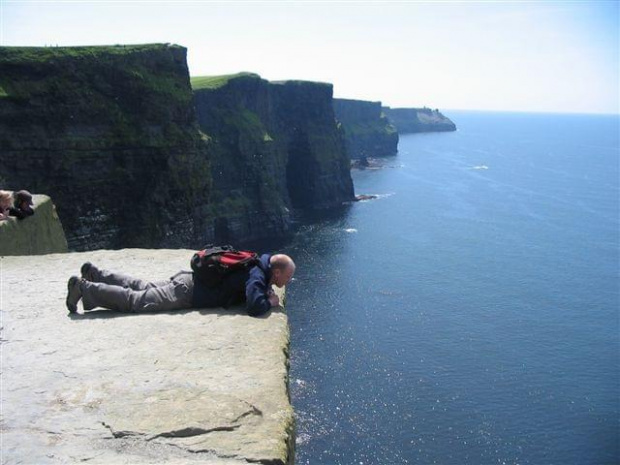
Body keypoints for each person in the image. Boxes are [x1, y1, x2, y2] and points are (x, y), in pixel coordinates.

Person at [65, 253, 295, 317]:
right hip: (187, 293)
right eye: (288, 276)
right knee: (136, 301)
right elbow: (255, 307)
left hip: (188, 279)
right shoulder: (256, 275)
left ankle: (96, 273)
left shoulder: (258, 260)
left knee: (142, 286)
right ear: (277, 272)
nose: (288, 281)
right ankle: (84, 288)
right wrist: (271, 301)